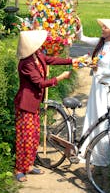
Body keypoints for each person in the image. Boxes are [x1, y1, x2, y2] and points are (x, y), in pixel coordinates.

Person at [14, 30, 76, 182]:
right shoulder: (26, 63)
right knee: (24, 137)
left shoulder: (37, 55)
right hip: (26, 104)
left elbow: (51, 60)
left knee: (34, 136)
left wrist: (71, 61)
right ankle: (19, 168)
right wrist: (59, 78)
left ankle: (28, 165)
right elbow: (40, 83)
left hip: (34, 103)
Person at [76, 19, 110, 164]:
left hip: (107, 88)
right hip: (97, 85)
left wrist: (97, 68)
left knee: (104, 117)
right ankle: (88, 149)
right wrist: (79, 27)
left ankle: (102, 153)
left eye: (105, 27)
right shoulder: (101, 43)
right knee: (93, 114)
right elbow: (82, 38)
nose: (102, 29)